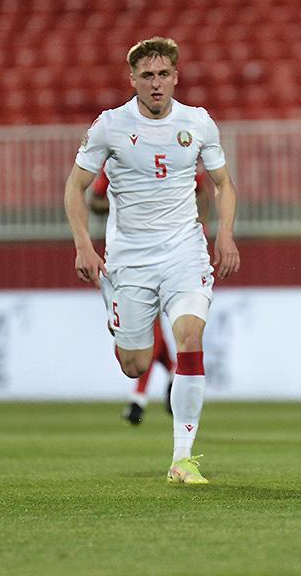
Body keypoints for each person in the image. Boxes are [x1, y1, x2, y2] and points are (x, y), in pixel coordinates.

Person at [64, 36, 240, 484]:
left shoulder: (198, 123)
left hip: (185, 251)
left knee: (189, 337)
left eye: (163, 74)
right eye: (147, 76)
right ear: (133, 79)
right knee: (135, 365)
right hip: (130, 258)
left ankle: (183, 458)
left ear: (176, 77)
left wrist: (225, 234)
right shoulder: (110, 126)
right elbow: (74, 187)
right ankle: (116, 309)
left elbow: (223, 183)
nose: (156, 83)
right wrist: (84, 244)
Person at [88, 169, 213, 426]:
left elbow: (202, 190)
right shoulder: (117, 158)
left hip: (175, 253)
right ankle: (170, 372)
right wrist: (124, 202)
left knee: (156, 328)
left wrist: (199, 226)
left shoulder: (177, 154)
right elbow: (94, 201)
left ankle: (139, 398)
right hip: (131, 254)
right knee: (146, 333)